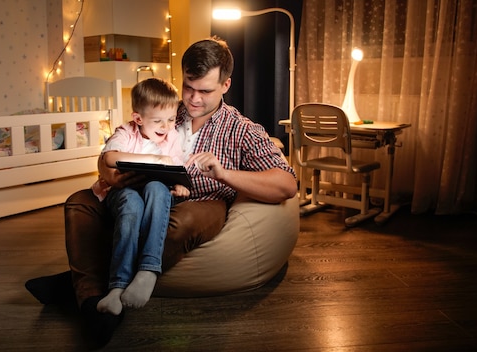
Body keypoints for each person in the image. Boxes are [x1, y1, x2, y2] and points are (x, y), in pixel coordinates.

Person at [27, 36, 297, 348]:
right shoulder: (166, 107)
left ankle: (81, 290)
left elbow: (286, 184)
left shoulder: (242, 129)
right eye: (188, 87)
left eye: (205, 91)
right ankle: (93, 301)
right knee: (79, 203)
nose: (193, 99)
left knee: (179, 222)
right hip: (139, 193)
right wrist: (110, 173)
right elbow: (117, 146)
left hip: (200, 200)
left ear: (226, 85)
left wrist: (223, 173)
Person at [91, 77, 189, 316]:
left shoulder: (172, 137)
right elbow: (111, 158)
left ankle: (148, 269)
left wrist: (179, 185)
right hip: (124, 192)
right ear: (138, 119)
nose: (165, 127)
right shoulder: (127, 132)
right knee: (132, 206)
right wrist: (154, 160)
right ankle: (117, 286)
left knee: (157, 188)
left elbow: (177, 166)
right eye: (158, 121)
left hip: (156, 191)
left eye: (170, 119)